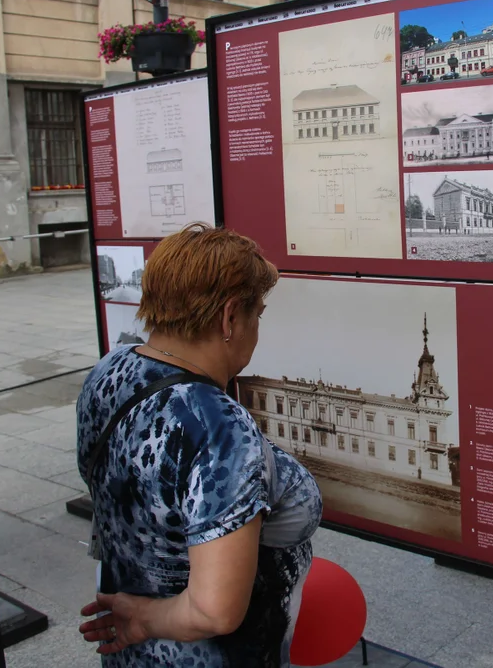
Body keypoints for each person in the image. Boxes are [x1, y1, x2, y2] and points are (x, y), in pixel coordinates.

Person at [76, 222, 322, 666]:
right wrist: (145, 619)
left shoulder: (109, 370)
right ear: (230, 318)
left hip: (130, 650)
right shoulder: (218, 428)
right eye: (257, 314)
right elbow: (214, 610)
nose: (257, 328)